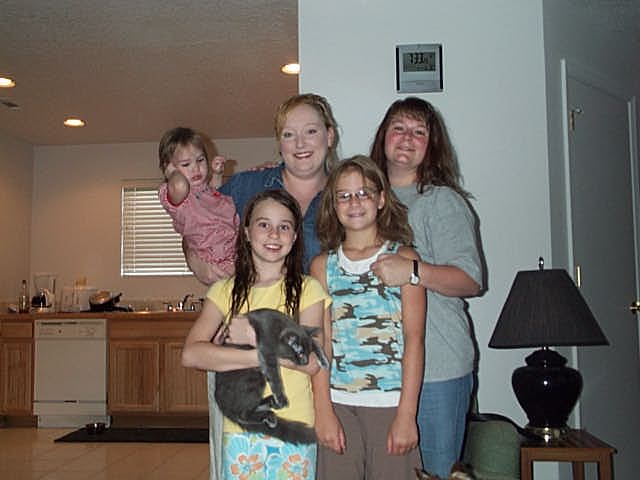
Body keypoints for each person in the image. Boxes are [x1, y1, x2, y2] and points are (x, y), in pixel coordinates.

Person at [182, 189, 331, 480]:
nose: (274, 234)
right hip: (240, 429)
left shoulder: (308, 290)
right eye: (264, 224)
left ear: (295, 236)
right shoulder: (224, 291)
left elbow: (311, 362)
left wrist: (252, 339)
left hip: (294, 427)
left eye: (284, 227)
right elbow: (191, 354)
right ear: (247, 232)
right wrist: (264, 354)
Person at [369, 97, 483, 478]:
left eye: (419, 132)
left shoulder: (442, 202)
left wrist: (413, 271)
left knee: (434, 472)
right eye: (399, 128)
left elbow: (470, 280)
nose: (407, 138)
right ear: (384, 136)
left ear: (432, 145)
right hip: (379, 373)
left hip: (437, 368)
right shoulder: (364, 201)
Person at [310, 155, 426, 479]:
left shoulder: (404, 258)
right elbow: (320, 343)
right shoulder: (322, 266)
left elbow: (415, 340)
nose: (354, 202)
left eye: (364, 193)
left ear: (381, 199)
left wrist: (407, 414)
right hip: (338, 405)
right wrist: (323, 410)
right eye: (344, 195)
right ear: (333, 205)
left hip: (390, 405)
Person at [185, 93, 340, 284]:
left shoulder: (349, 198)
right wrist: (195, 260)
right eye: (288, 134)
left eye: (311, 131)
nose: (300, 143)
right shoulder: (245, 187)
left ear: (330, 136)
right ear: (280, 144)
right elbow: (195, 223)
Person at [158, 127, 239, 280]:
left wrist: (217, 174)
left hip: (233, 248)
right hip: (215, 259)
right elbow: (179, 186)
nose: (196, 168)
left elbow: (214, 198)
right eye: (186, 164)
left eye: (200, 160)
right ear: (170, 167)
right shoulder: (179, 195)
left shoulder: (203, 189)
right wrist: (171, 173)